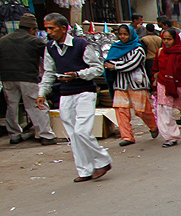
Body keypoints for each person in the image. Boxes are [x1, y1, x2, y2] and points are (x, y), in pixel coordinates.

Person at [36, 13, 112, 181]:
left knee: (81, 131)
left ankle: (102, 160)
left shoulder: (81, 44)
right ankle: (85, 170)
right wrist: (42, 93)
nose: (49, 32)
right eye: (47, 28)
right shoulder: (50, 47)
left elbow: (97, 68)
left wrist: (77, 74)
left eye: (52, 28)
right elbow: (48, 72)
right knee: (73, 134)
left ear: (63, 28)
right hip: (65, 93)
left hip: (85, 91)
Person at [1, 13, 56, 145]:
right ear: (32, 29)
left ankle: (14, 135)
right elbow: (48, 59)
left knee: (12, 106)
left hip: (7, 78)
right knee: (35, 104)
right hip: (27, 78)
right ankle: (45, 135)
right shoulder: (34, 41)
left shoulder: (3, 40)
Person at [103, 24, 158, 146]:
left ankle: (153, 127)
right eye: (121, 34)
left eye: (125, 34)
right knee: (121, 110)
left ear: (131, 35)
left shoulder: (138, 49)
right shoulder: (115, 47)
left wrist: (116, 66)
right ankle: (127, 137)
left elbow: (132, 64)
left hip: (137, 84)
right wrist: (115, 65)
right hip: (120, 84)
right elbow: (108, 61)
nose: (122, 37)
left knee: (141, 111)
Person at [140, 24, 163, 89]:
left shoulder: (144, 39)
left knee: (150, 75)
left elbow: (144, 51)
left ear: (146, 30)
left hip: (149, 60)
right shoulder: (159, 38)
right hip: (159, 59)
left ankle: (152, 88)